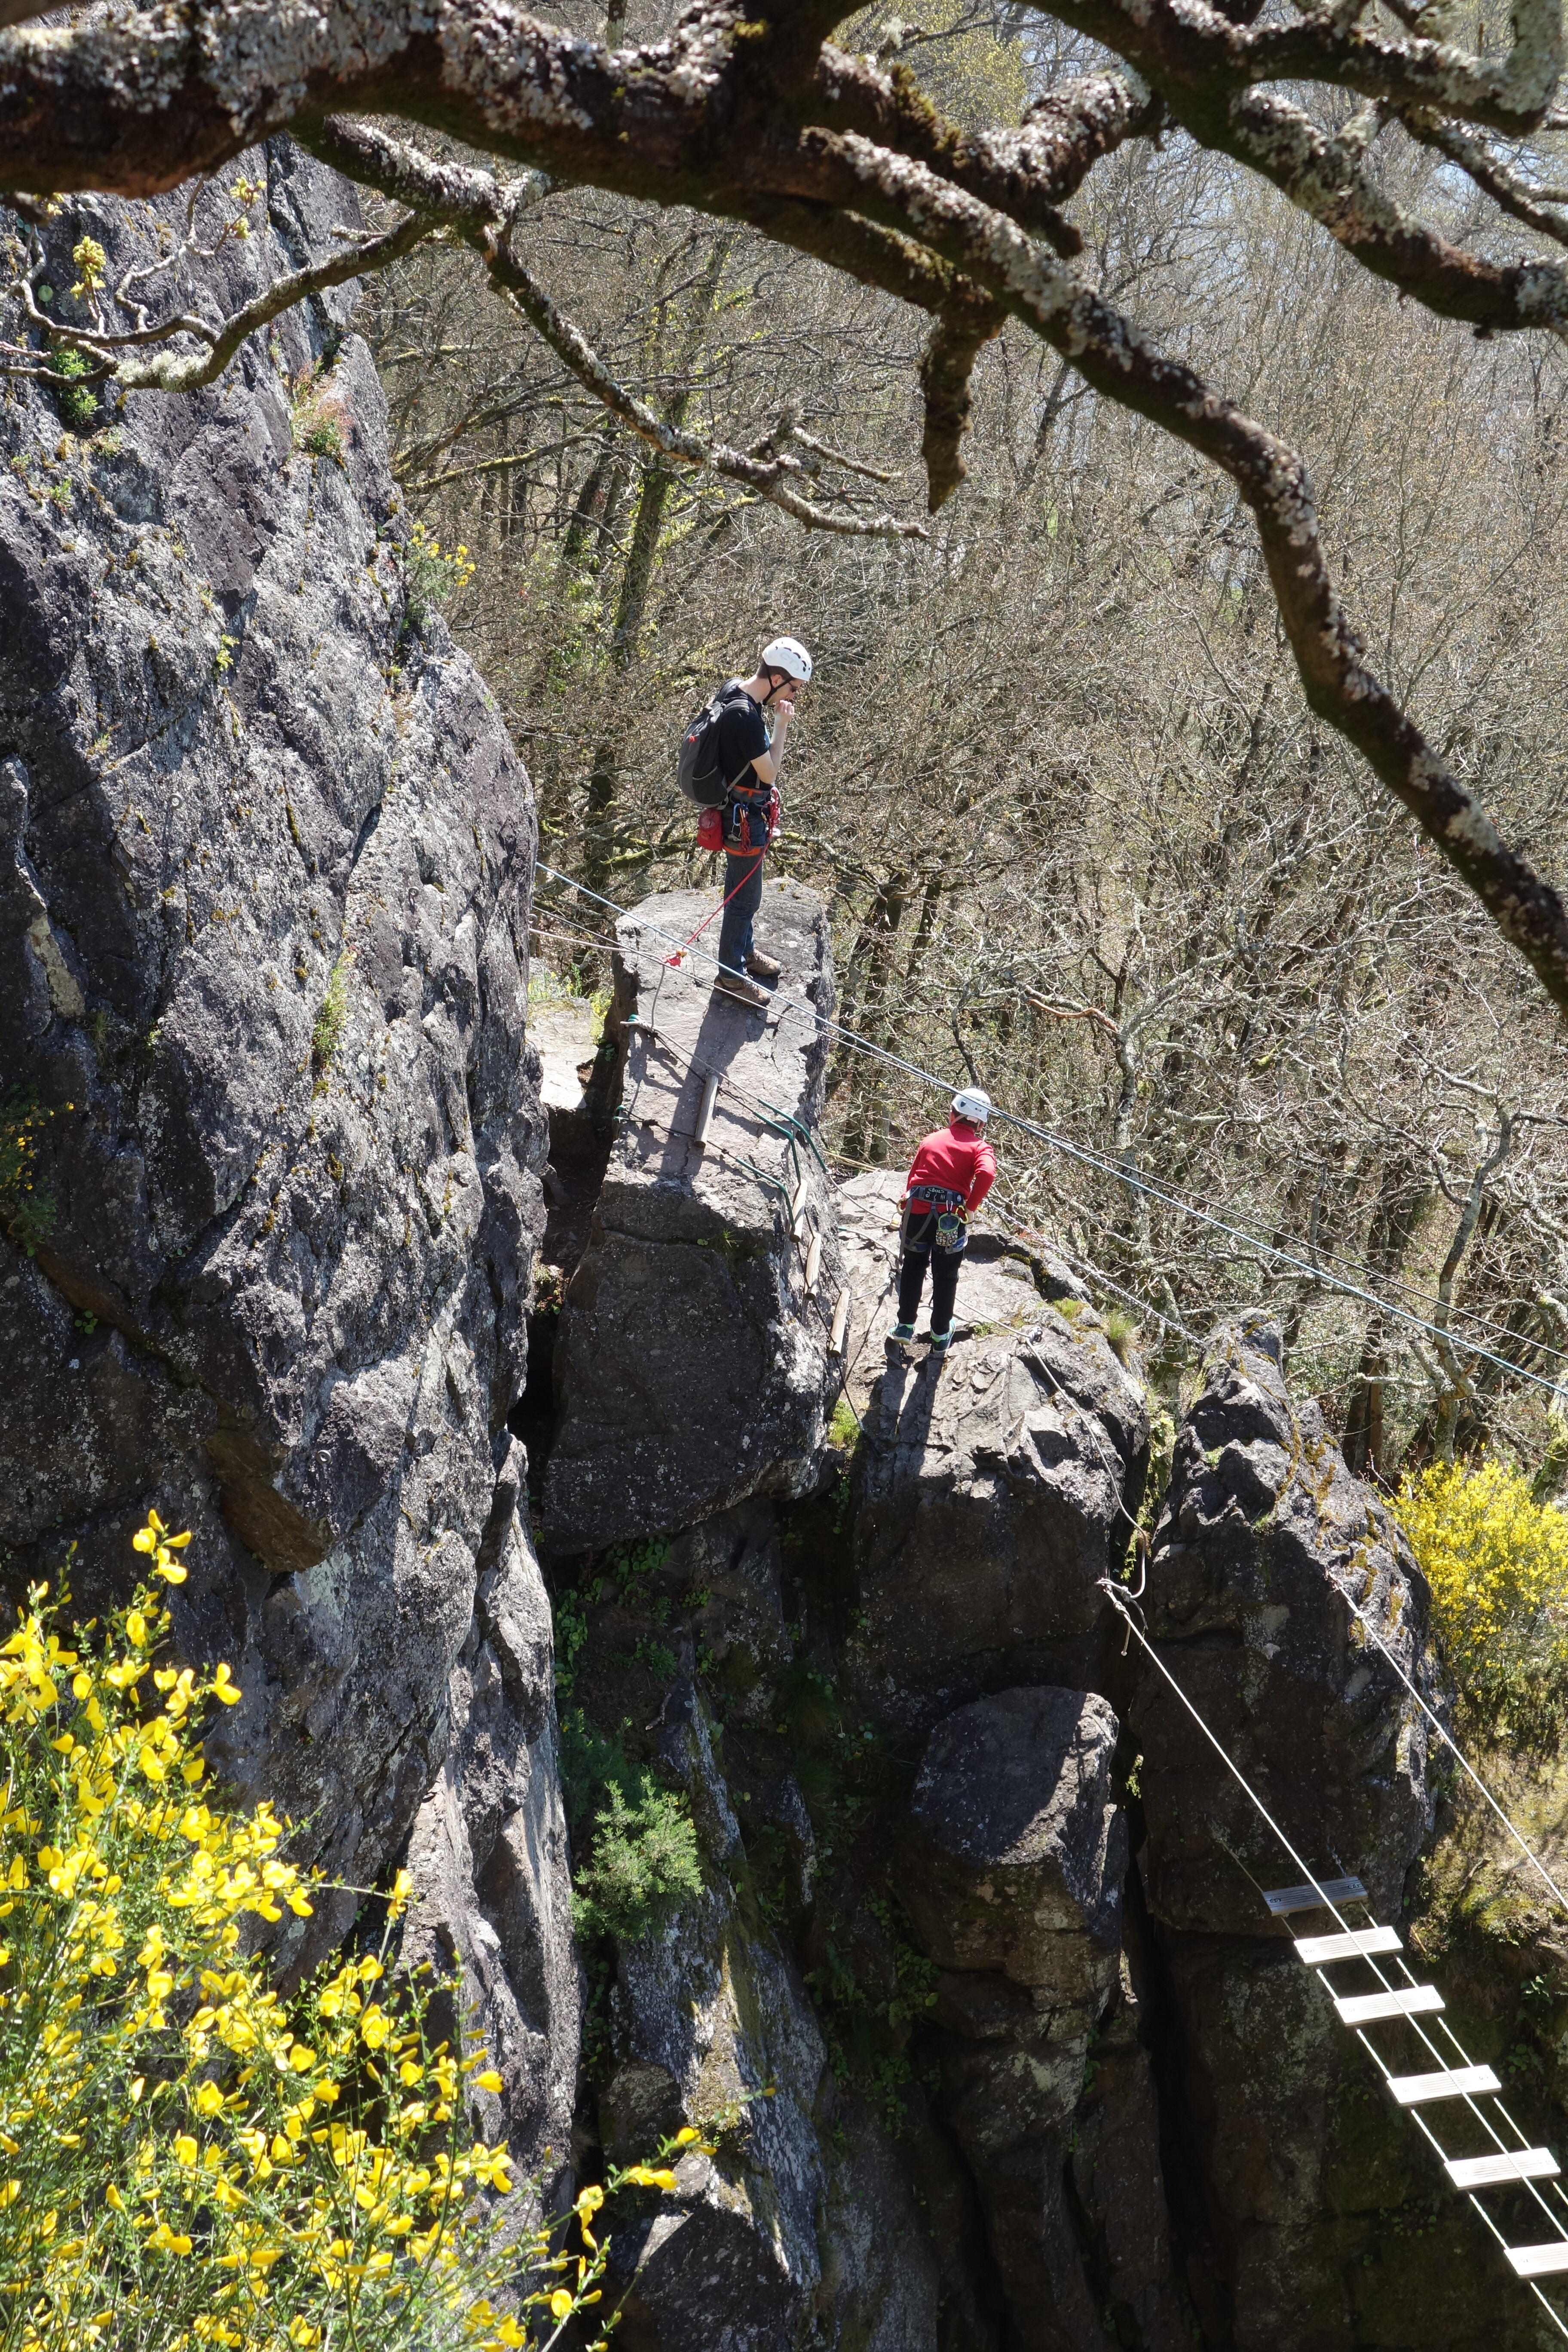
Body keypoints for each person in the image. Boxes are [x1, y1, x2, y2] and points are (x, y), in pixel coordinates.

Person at [709, 636, 812, 1009]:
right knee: (744, 899)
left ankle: (744, 951)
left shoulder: (733, 690)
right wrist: (781, 726)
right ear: (777, 678)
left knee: (743, 893)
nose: (794, 696)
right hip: (744, 818)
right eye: (794, 688)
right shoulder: (747, 717)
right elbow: (769, 774)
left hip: (738, 810)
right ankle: (730, 976)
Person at [891, 1090, 997, 1354]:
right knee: (946, 1275)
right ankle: (940, 1334)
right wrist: (970, 1208)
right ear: (980, 1124)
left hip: (917, 1214)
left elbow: (912, 1180)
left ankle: (904, 1326)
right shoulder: (979, 1147)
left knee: (914, 1266)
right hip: (950, 1219)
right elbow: (987, 1172)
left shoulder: (930, 1140)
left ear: (953, 1114)